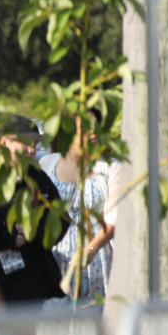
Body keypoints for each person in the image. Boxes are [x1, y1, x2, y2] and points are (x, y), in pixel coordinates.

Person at [39, 115, 118, 306]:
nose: (93, 133)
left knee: (94, 318)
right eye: (86, 128)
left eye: (96, 127)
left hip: (97, 260)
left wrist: (91, 249)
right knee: (55, 320)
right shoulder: (47, 163)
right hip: (57, 262)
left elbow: (114, 219)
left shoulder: (110, 166)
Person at [0, 116, 65, 304]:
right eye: (26, 143)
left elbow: (60, 218)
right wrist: (7, 235)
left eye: (35, 144)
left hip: (32, 283)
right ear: (4, 141)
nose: (32, 150)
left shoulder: (37, 178)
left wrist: (35, 232)